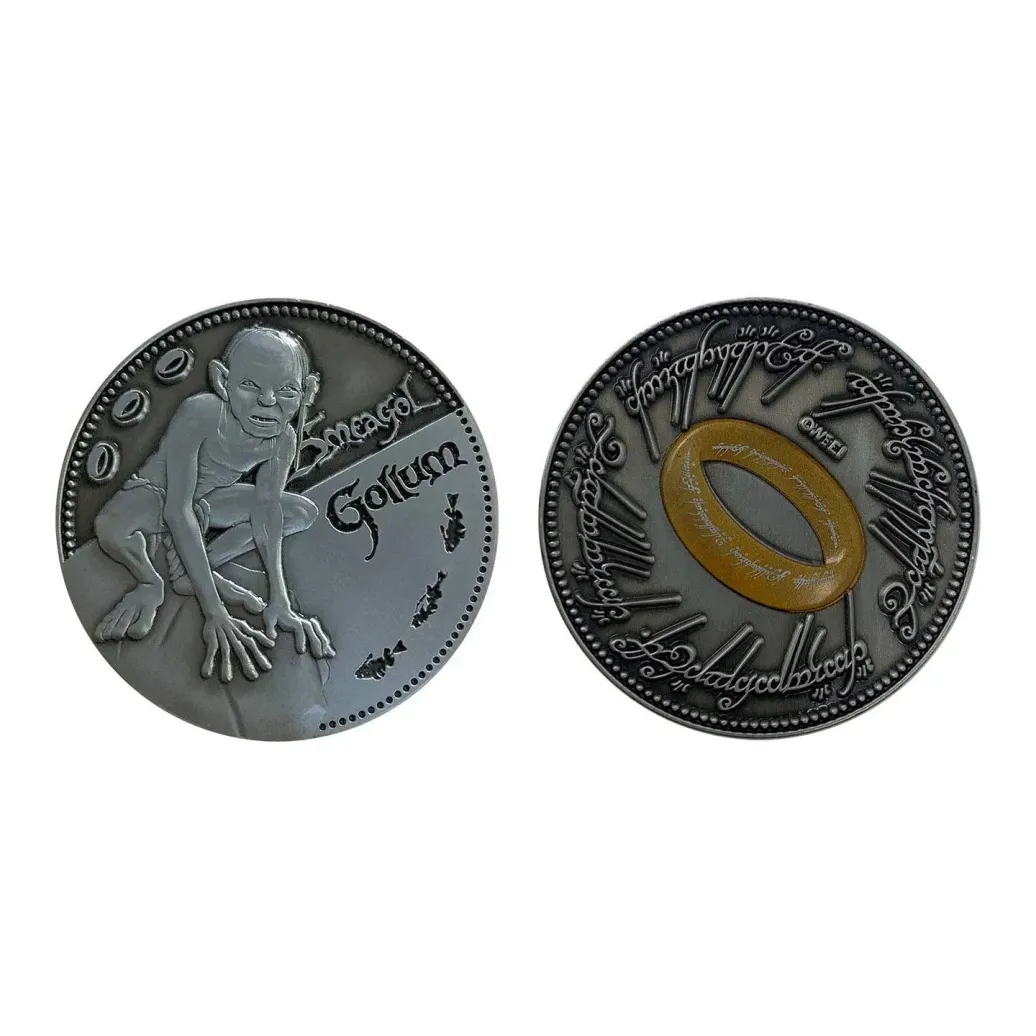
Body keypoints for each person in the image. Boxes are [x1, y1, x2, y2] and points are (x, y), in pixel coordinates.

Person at [93, 324, 334, 681]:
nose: (268, 401)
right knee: (109, 528)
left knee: (300, 512)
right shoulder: (202, 412)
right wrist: (215, 612)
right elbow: (177, 508)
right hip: (155, 495)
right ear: (222, 381)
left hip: (207, 502)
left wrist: (279, 598)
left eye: (287, 391)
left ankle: (197, 566)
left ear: (307, 392)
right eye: (250, 385)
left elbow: (267, 509)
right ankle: (151, 581)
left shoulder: (283, 438)